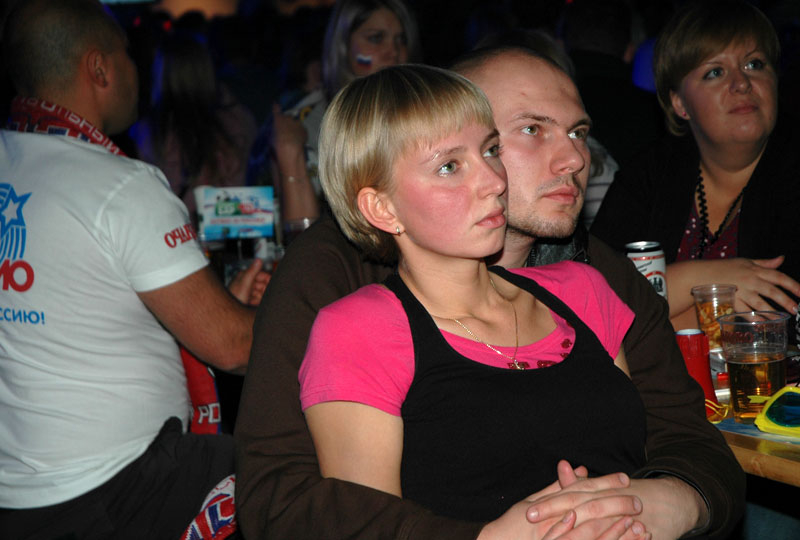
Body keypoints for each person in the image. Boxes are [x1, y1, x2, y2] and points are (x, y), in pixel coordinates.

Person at [235, 48, 744, 539]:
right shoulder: (337, 283)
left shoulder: (590, 278)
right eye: (531, 129)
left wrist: (669, 501)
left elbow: (683, 437)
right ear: (382, 208)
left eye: (490, 150)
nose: (573, 158)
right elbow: (302, 503)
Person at [0, 1, 266, 538]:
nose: (136, 70)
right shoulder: (120, 186)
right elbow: (235, 347)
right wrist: (329, 317)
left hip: (18, 492)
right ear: (99, 68)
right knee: (290, 469)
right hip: (120, 488)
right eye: (127, 54)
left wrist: (212, 306)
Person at [590, 0, 800, 334]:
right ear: (679, 103)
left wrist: (663, 308)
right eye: (715, 72)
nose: (742, 83)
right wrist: (706, 277)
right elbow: (592, 299)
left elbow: (779, 317)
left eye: (755, 64)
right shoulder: (650, 172)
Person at [267, 0, 421, 230]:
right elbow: (297, 231)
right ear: (343, 46)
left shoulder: (423, 115)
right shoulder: (305, 123)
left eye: (401, 40)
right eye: (376, 38)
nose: (394, 52)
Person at [132, 29, 258, 220]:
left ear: (160, 73)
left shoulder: (151, 130)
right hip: (239, 225)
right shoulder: (239, 119)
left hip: (178, 229)